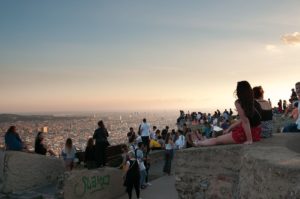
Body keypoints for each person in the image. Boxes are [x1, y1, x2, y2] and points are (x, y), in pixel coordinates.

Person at [196, 81, 261, 146]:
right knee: (221, 137)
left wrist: (249, 140)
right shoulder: (252, 101)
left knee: (217, 140)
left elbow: (245, 121)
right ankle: (201, 141)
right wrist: (229, 128)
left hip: (246, 134)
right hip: (256, 132)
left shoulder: (239, 102)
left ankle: (198, 143)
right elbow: (244, 119)